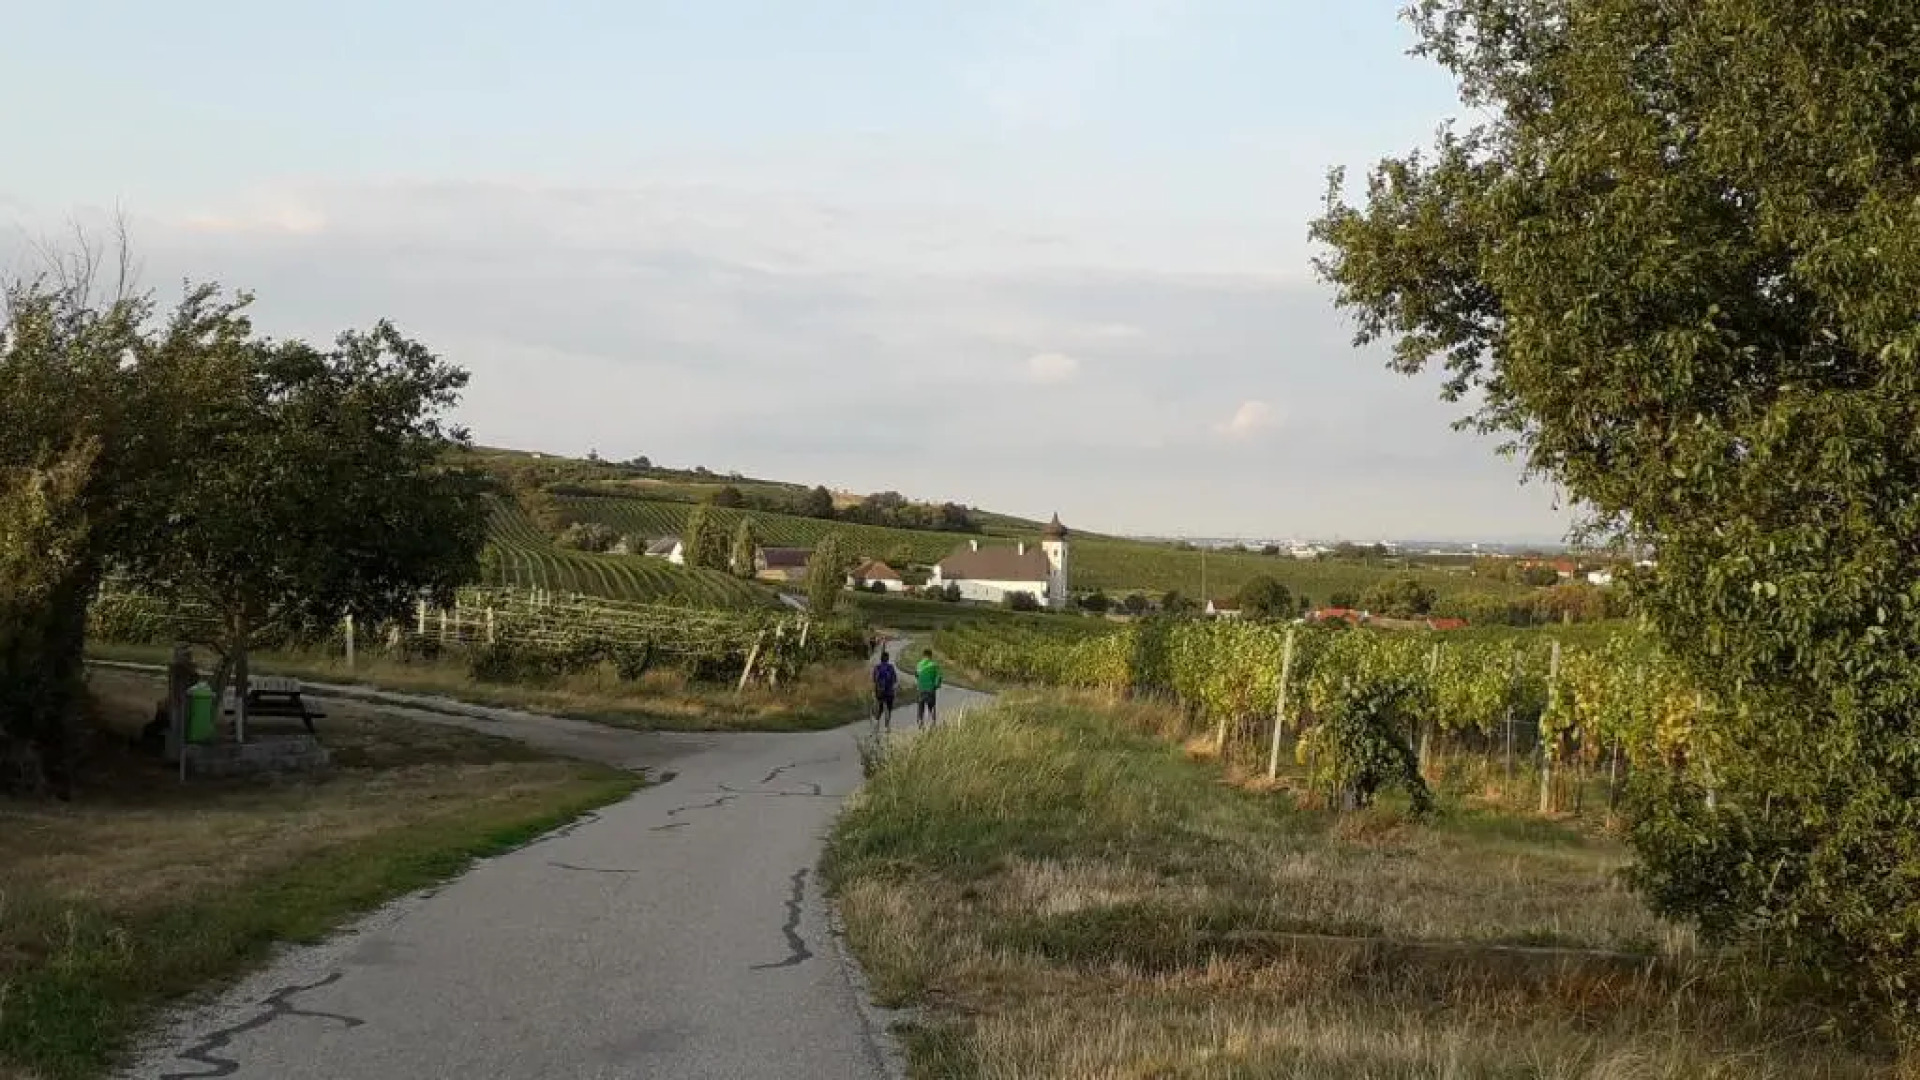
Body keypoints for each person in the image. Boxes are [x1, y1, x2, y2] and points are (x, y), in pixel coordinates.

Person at [916, 649, 943, 728]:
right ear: (930, 656)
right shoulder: (934, 665)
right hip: (930, 689)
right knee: (931, 707)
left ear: (923, 655)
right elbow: (939, 677)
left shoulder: (919, 664)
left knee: (921, 705)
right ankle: (932, 724)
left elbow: (917, 675)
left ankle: (920, 721)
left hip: (921, 689)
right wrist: (936, 686)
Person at [871, 650, 898, 730]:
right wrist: (894, 689)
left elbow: (874, 680)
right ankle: (887, 726)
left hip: (879, 692)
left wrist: (874, 692)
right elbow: (895, 680)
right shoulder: (891, 667)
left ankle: (876, 723)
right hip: (889, 692)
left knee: (880, 708)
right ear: (888, 658)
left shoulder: (877, 667)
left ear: (881, 659)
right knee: (889, 709)